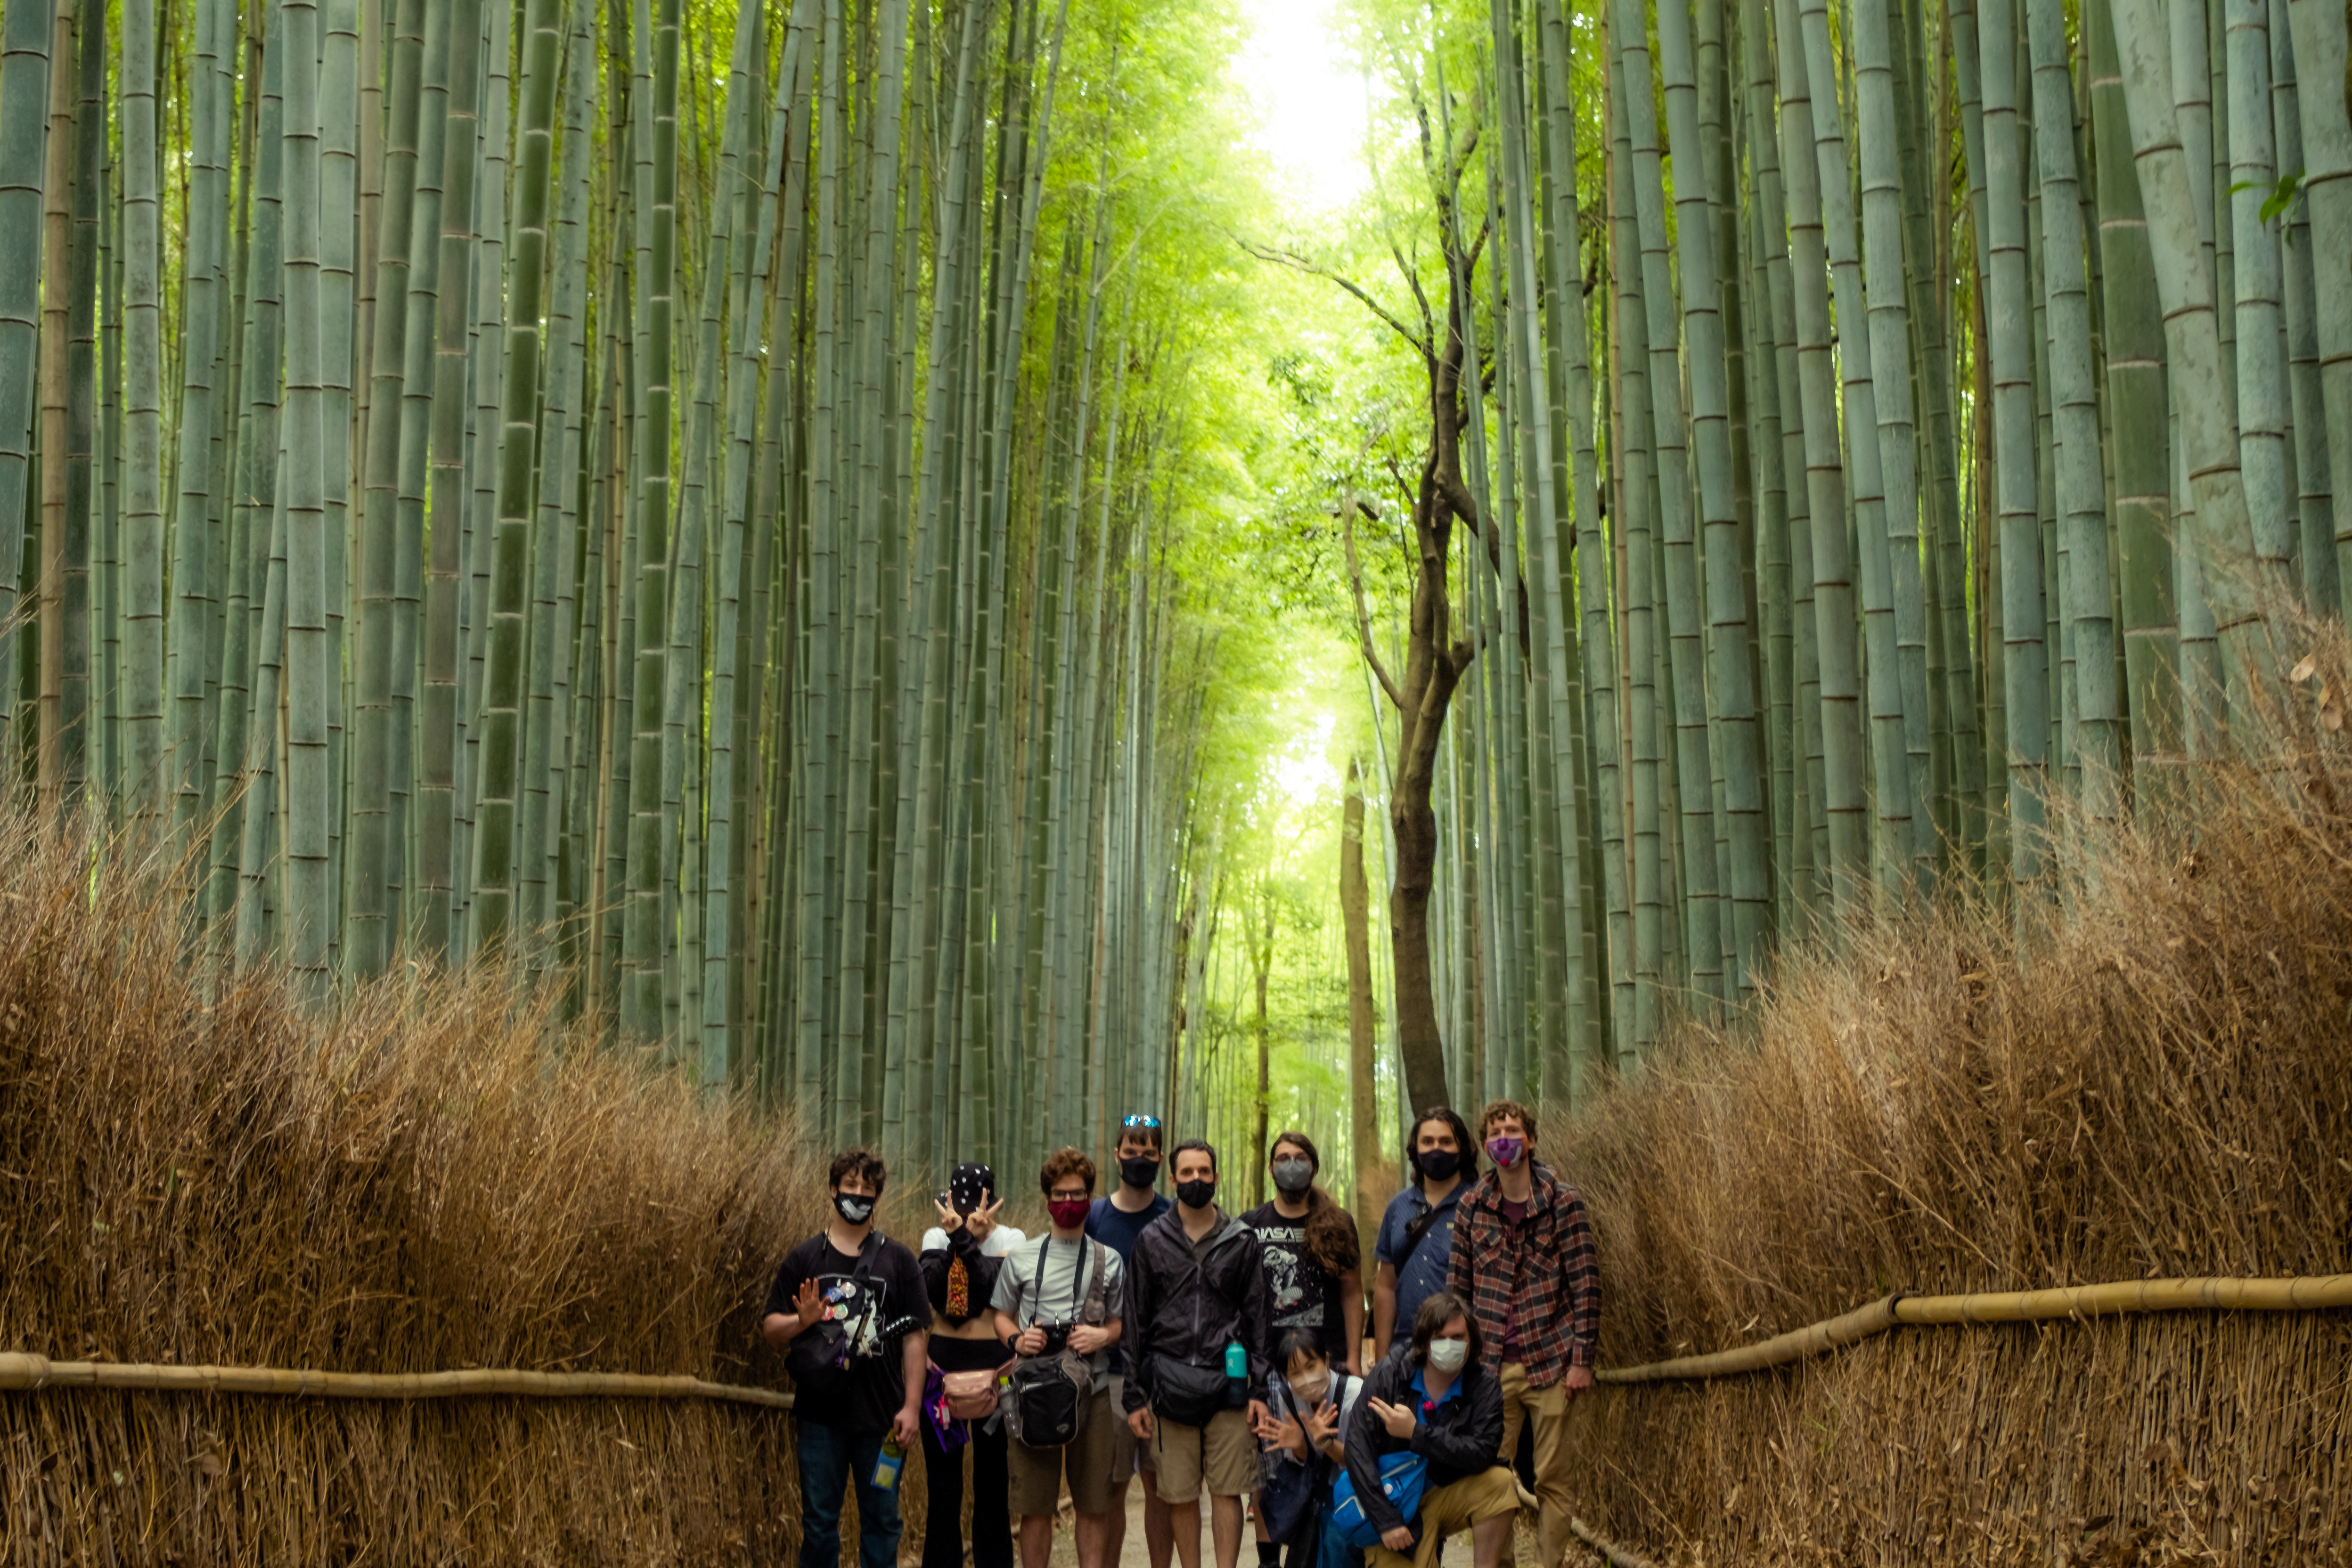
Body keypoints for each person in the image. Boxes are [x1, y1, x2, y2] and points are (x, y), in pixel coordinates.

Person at [1445, 1101, 1600, 1568]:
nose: (1505, 1139)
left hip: (1551, 1358)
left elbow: (1586, 1283)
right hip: (1490, 1365)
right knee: (1493, 1473)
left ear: (1529, 1138)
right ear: (1487, 1145)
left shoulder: (1564, 1201)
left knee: (1552, 1476)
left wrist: (1582, 1360)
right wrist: (1455, 1362)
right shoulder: (1473, 1205)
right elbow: (1458, 1291)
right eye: (1496, 1132)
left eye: (1513, 1130)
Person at [762, 1148, 932, 1568]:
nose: (858, 1194)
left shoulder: (900, 1260)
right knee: (819, 1524)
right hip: (820, 1417)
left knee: (882, 1521)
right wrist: (801, 1322)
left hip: (884, 1420)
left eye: (867, 1188)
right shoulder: (806, 1258)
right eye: (850, 1186)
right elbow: (770, 1330)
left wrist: (912, 1408)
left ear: (878, 1197)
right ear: (833, 1190)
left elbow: (916, 1337)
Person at [1123, 1139, 1273, 1568]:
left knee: (1228, 1490)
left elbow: (1259, 1316)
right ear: (1172, 1179)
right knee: (1179, 1493)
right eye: (1186, 1173)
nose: (1196, 1180)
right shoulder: (1152, 1239)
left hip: (1228, 1381)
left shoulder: (1240, 1239)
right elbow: (1135, 1318)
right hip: (1169, 1383)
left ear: (1216, 1177)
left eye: (1204, 1172)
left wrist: (1259, 1391)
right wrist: (1134, 1395)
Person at [991, 1148, 1126, 1568]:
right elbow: (1001, 1316)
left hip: (1095, 1390)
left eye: (1078, 1194)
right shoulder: (1022, 1257)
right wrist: (1017, 1340)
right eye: (1060, 1195)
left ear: (1090, 1196)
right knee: (1035, 1507)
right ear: (1047, 1198)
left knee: (1092, 1505)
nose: (1069, 1204)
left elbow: (1121, 1325)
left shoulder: (1110, 1260)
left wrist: (1100, 1335)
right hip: (1034, 1391)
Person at [1342, 1293, 1517, 1568]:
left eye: (1458, 1337)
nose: (1450, 1345)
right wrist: (1386, 1520)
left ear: (1471, 1340)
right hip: (1394, 1501)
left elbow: (1483, 1452)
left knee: (1502, 1483)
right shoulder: (1390, 1374)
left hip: (1444, 1491)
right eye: (1440, 1337)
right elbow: (1357, 1447)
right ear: (1424, 1342)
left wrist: (1416, 1433)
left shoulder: (1484, 1386)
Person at [918, 1162, 1025, 1568]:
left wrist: (968, 1240)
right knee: (943, 1489)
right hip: (940, 1376)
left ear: (994, 1201)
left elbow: (993, 1295)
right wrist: (959, 1240)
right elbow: (939, 1298)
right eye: (959, 1205)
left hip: (997, 1378)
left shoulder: (1013, 1238)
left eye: (976, 1205)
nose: (965, 1214)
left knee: (992, 1486)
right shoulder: (935, 1234)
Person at [1089, 1113, 1175, 1568]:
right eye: (1131, 1149)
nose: (1138, 1158)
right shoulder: (1095, 1216)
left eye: (1148, 1151)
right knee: (1110, 1489)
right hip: (1110, 1374)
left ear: (1160, 1158)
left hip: (1164, 1373)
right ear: (1117, 1154)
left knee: (1160, 1489)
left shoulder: (1173, 1215)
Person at [1243, 1131, 1365, 1375]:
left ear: (1314, 1168)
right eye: (1283, 1158)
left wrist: (1354, 1358)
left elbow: (1352, 1293)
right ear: (1271, 1169)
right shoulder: (1250, 1225)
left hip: (1328, 1358)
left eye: (1301, 1158)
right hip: (1269, 1361)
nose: (1292, 1165)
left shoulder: (1339, 1223)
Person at [1250, 1329, 1366, 1568]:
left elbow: (1363, 1463)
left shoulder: (1355, 1394)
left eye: (1311, 1366)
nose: (1306, 1377)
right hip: (1318, 1496)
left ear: (1326, 1359)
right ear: (1285, 1377)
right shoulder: (1288, 1399)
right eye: (1295, 1373)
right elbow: (1302, 1467)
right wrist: (1301, 1447)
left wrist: (1326, 1444)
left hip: (1356, 1489)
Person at [1371, 1109, 1473, 1365]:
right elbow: (1385, 1286)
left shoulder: (1479, 1204)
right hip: (1404, 1346)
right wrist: (1382, 1358)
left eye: (1446, 1141)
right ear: (1415, 1149)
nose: (1436, 1149)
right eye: (1428, 1142)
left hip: (1459, 1346)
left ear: (1462, 1147)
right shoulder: (1398, 1207)